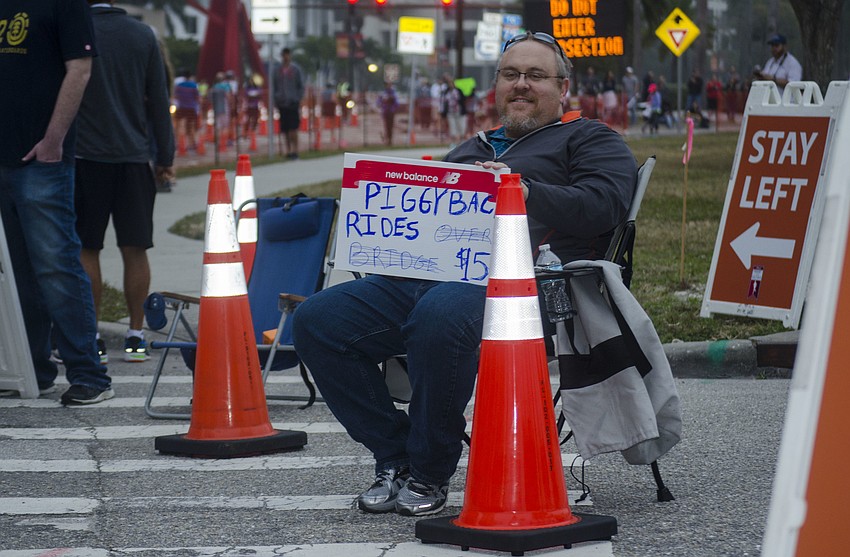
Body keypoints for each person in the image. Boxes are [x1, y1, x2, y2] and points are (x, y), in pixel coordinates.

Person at [292, 30, 636, 517]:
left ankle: (430, 470)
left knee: (442, 311)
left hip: (529, 289)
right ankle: (396, 456)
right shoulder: (469, 149)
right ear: (496, 85)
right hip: (432, 278)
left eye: (536, 76)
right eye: (511, 75)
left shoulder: (589, 138)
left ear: (563, 88)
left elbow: (604, 206)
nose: (522, 85)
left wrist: (521, 189)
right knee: (319, 320)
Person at [0, 0, 115, 405]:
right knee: (15, 273)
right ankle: (33, 370)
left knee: (56, 266)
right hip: (4, 157)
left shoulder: (65, 4)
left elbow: (79, 70)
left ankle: (88, 374)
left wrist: (54, 140)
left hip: (41, 159)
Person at [74, 0, 175, 364]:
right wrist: (165, 157)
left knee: (87, 249)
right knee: (135, 249)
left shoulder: (75, 29)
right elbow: (158, 101)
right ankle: (135, 335)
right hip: (134, 159)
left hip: (85, 158)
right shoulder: (143, 35)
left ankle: (93, 336)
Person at [273, 47, 305, 159]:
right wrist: (276, 99)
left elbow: (301, 86)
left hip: (292, 102)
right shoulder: (277, 70)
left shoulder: (296, 70)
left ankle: (295, 150)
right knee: (285, 129)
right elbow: (274, 86)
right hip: (282, 103)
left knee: (293, 128)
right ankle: (288, 150)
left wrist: (298, 98)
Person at [173, 69, 201, 151]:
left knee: (177, 126)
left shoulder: (179, 85)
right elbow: (197, 98)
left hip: (181, 107)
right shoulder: (194, 85)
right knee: (191, 127)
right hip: (191, 108)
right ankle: (192, 144)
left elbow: (175, 96)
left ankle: (176, 143)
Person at [376, 82, 399, 146]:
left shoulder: (393, 93)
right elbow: (378, 101)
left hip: (391, 111)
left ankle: (390, 139)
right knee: (386, 126)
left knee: (391, 126)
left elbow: (397, 103)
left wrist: (394, 108)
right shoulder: (383, 93)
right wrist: (381, 105)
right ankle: (387, 139)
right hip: (385, 111)